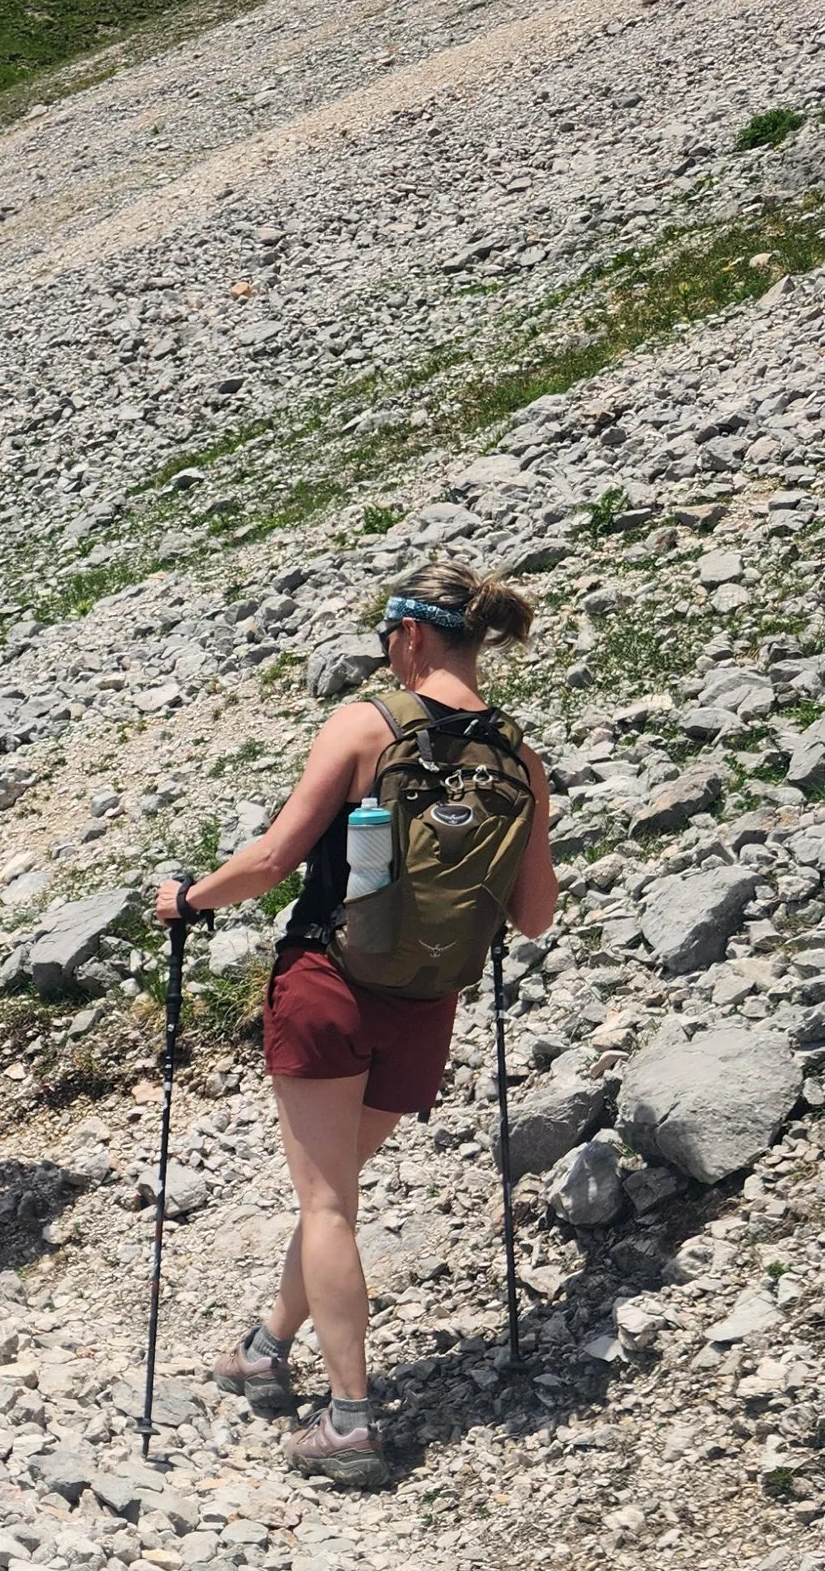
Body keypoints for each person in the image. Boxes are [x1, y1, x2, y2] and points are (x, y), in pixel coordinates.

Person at [155, 558, 555, 1488]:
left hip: (332, 983)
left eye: (386, 639)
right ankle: (265, 1346)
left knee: (328, 1203)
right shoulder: (518, 755)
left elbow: (271, 859)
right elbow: (533, 914)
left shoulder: (366, 724)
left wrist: (188, 899)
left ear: (409, 635)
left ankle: (349, 1418)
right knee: (332, 1191)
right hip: (427, 1002)